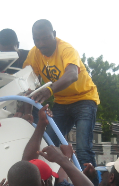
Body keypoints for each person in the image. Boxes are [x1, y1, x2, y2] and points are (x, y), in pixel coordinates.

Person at [23, 19, 100, 170]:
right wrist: (26, 111)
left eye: (45, 38)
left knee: (84, 147)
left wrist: (50, 90)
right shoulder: (34, 53)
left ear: (54, 34)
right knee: (49, 142)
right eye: (36, 40)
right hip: (62, 102)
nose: (41, 43)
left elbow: (72, 75)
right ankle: (54, 183)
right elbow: (26, 81)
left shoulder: (66, 49)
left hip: (84, 99)